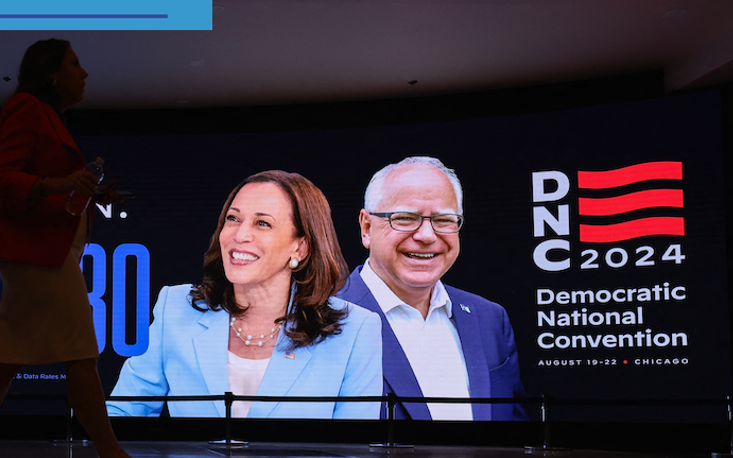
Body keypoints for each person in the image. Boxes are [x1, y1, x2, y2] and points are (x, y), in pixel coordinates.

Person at [0, 38, 180, 458]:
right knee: (80, 353)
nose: (84, 73)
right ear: (51, 73)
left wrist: (83, 192)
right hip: (39, 255)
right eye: (75, 64)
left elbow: (41, 185)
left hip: (42, 252)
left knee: (4, 360)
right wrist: (59, 184)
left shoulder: (47, 115)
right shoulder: (27, 107)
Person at [109, 170, 382, 419]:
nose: (240, 235)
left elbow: (357, 453)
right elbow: (121, 416)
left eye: (262, 223)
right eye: (233, 218)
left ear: (300, 248)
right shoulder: (176, 309)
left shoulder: (355, 331)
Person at [337, 156, 530, 420]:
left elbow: (516, 440)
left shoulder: (490, 319)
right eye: (405, 218)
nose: (427, 236)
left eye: (443, 220)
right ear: (367, 227)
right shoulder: (322, 321)